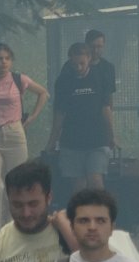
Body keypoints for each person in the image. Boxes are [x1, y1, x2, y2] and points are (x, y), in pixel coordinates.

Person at [0, 43, 49, 230]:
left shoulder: (19, 79)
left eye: (7, 58)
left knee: (17, 184)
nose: (3, 62)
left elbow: (43, 93)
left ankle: (15, 225)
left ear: (11, 61)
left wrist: (32, 117)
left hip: (14, 133)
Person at [47, 42, 115, 195]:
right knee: (78, 187)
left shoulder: (101, 77)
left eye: (82, 63)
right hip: (71, 141)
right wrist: (52, 141)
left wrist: (112, 135)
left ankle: (102, 216)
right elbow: (59, 113)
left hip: (98, 139)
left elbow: (106, 108)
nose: (78, 67)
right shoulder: (63, 81)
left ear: (89, 59)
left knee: (95, 180)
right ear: (70, 60)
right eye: (74, 63)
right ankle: (83, 217)